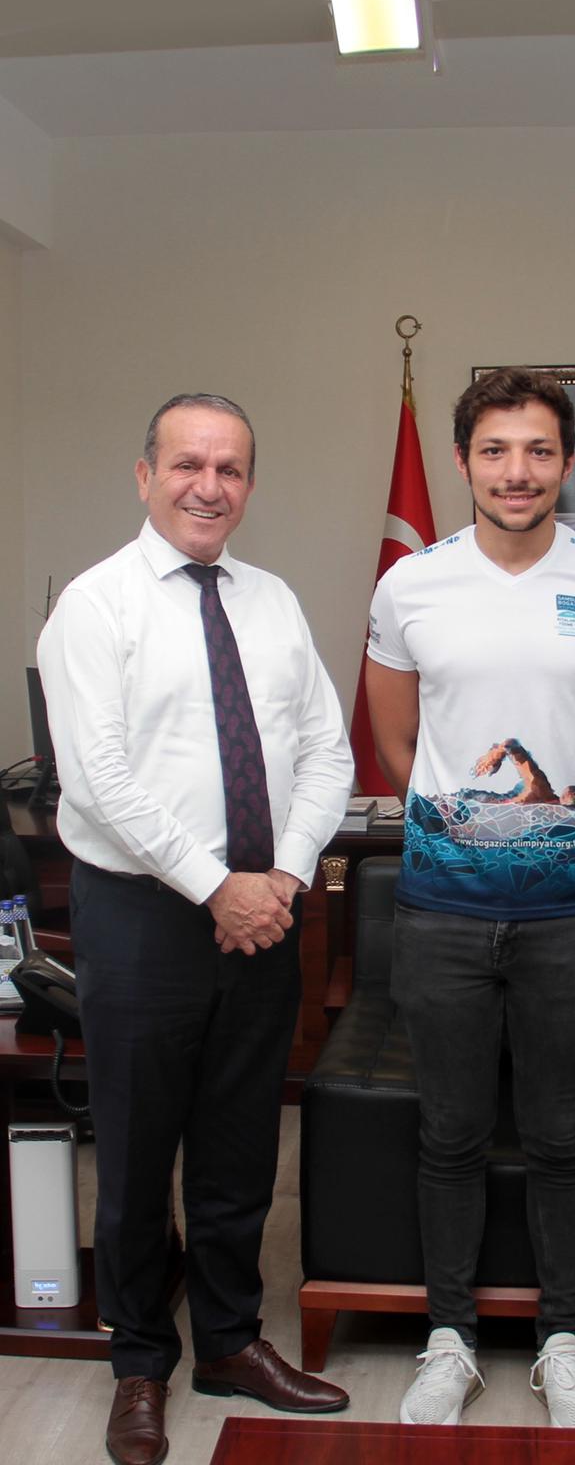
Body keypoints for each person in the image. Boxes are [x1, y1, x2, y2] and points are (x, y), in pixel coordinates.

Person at [38, 394, 355, 1465]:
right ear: (145, 475)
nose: (207, 486)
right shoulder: (97, 605)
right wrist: (218, 886)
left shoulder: (273, 601)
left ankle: (228, 1341)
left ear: (249, 485)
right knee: (134, 1152)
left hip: (263, 910)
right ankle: (139, 1361)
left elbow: (326, 752)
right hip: (143, 914)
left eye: (228, 468)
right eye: (187, 464)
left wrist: (282, 878)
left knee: (239, 1140)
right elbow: (100, 777)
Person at [365, 366, 575, 1429]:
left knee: (560, 1137)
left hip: (572, 920)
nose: (517, 471)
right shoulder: (411, 585)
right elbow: (397, 743)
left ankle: (561, 1339)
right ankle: (450, 1338)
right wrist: (469, 839)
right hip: (439, 915)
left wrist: (571, 845)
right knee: (449, 1135)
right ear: (463, 461)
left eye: (539, 449)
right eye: (495, 450)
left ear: (568, 461)